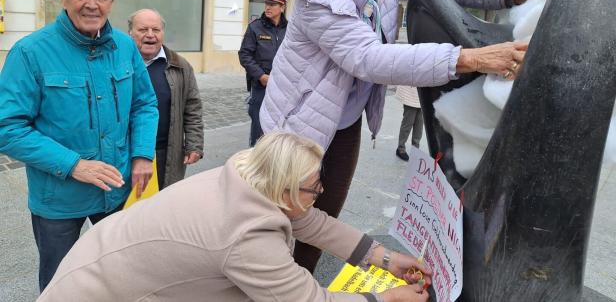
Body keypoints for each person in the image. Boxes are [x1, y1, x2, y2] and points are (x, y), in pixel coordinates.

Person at [259, 0, 541, 272]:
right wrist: (473, 58)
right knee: (279, 226)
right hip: (295, 127)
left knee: (321, 225)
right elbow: (369, 59)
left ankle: (298, 289)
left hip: (343, 122)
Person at [38, 132, 431, 302]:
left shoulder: (250, 173)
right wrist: (386, 297)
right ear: (284, 190)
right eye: (314, 187)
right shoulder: (245, 237)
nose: (322, 192)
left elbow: (309, 221)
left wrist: (385, 258)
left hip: (99, 266)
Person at [0, 0, 159, 292]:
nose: (91, 3)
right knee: (62, 284)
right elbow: (8, 128)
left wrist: (143, 155)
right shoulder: (30, 52)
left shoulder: (125, 46)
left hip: (116, 189)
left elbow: (145, 104)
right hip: (58, 200)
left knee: (121, 272)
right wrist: (74, 165)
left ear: (111, 3)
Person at [128, 8, 204, 189]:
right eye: (143, 30)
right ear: (130, 32)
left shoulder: (180, 65)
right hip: (127, 152)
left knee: (161, 205)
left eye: (156, 30)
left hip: (167, 152)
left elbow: (192, 107)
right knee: (127, 210)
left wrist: (194, 144)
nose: (150, 35)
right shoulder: (119, 63)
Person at [238, 0, 288, 146]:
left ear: (282, 7)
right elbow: (244, 55)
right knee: (259, 129)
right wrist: (261, 76)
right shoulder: (255, 27)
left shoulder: (291, 29)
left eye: (272, 4)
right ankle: (255, 163)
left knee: (282, 129)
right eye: (266, 3)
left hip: (284, 87)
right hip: (261, 86)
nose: (267, 7)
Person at [394, 86, 423, 161]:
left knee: (419, 125)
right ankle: (400, 149)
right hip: (410, 90)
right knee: (408, 123)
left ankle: (416, 150)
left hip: (423, 90)